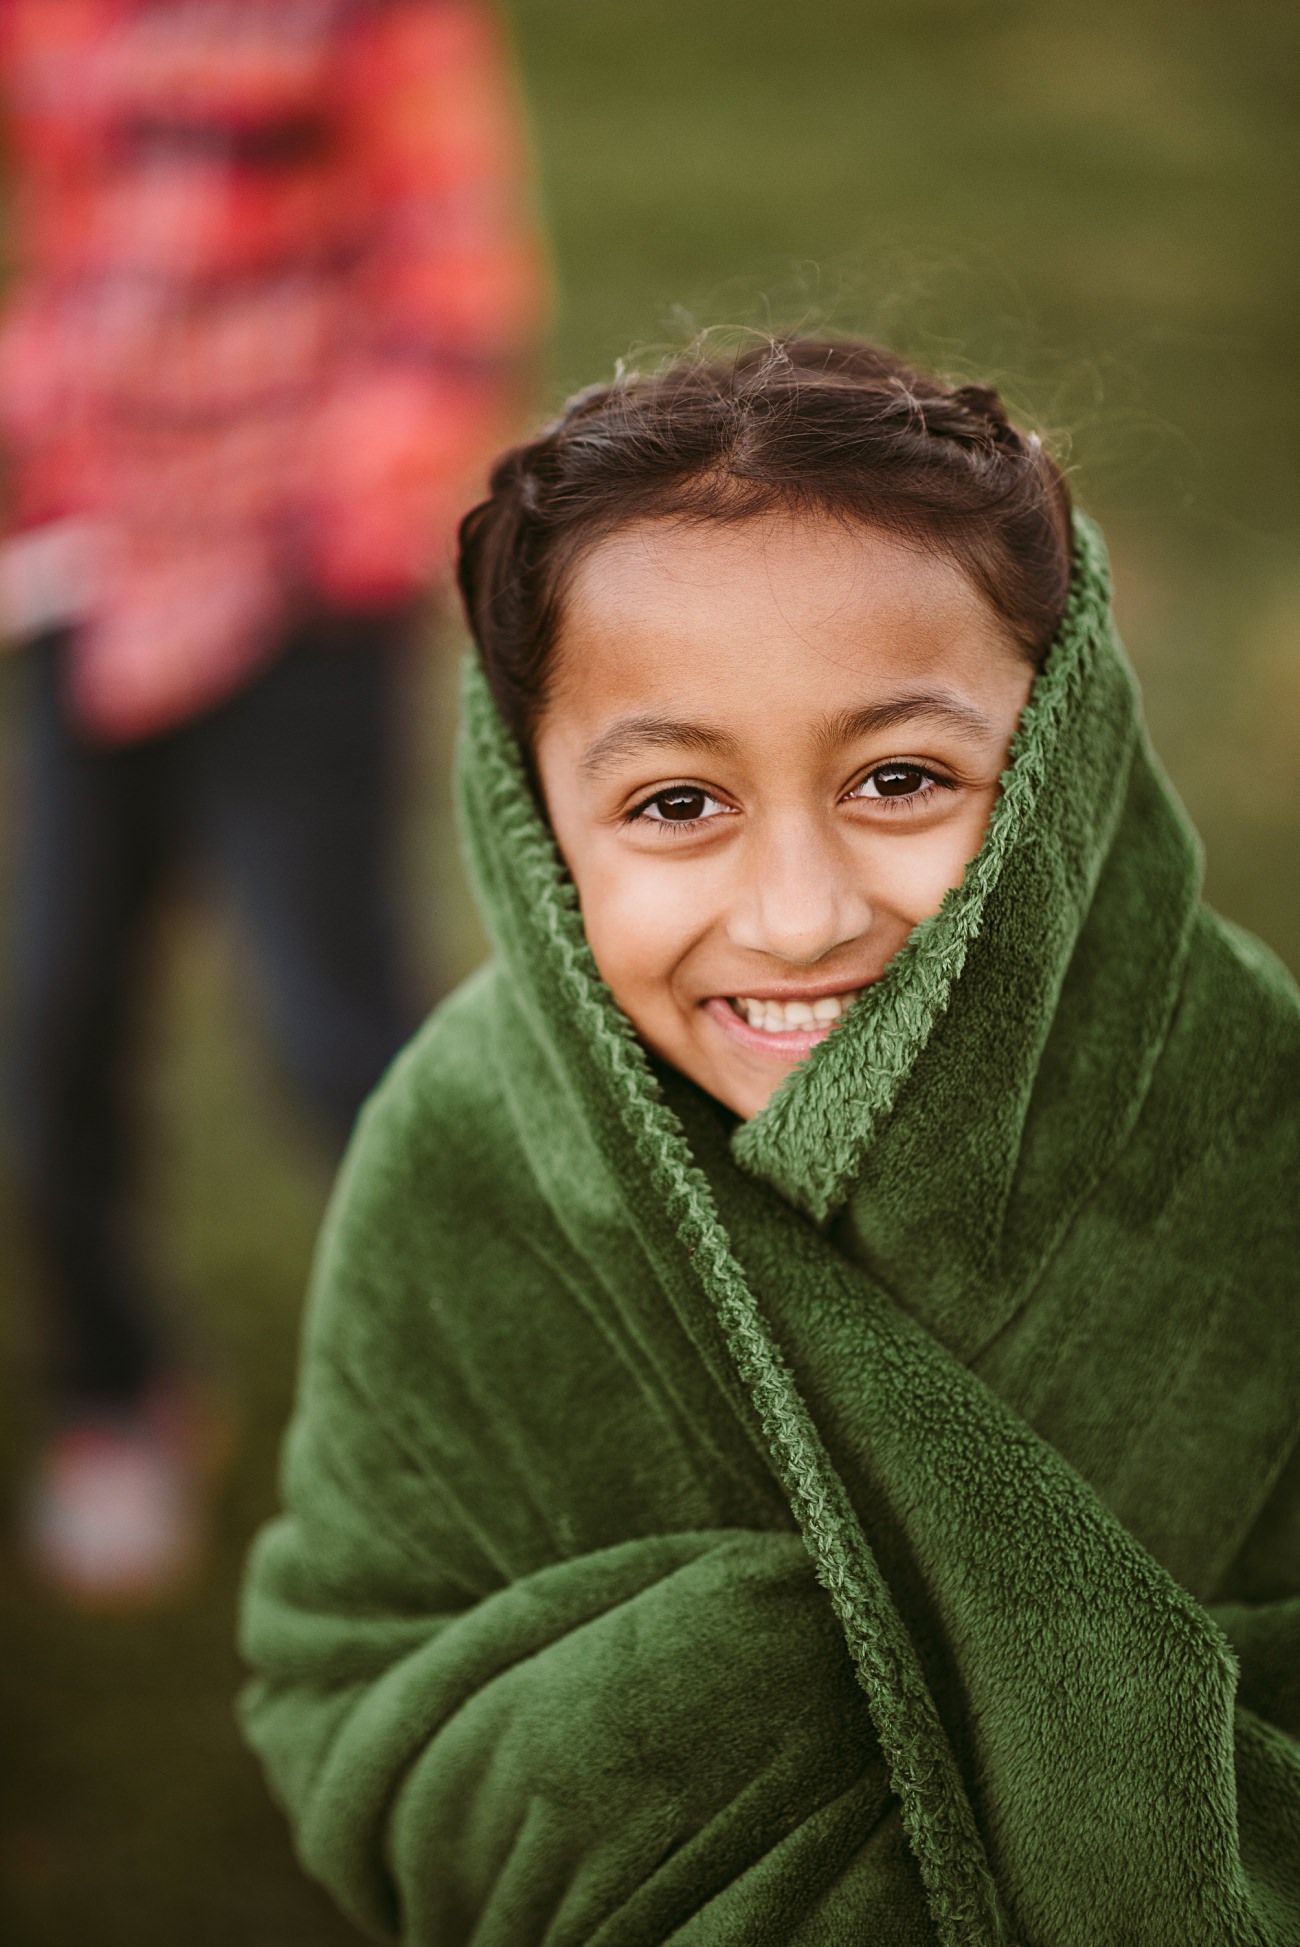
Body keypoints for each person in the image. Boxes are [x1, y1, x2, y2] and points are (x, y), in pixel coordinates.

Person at [238, 338, 1300, 1943]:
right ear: (535, 823)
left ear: (1061, 761)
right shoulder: (468, 1152)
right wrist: (768, 1700)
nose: (800, 917)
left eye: (900, 778)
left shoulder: (1249, 1114)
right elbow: (349, 1675)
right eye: (678, 805)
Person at [0, 0, 545, 1607]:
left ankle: (504, 1428)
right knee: (55, 1025)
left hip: (298, 586)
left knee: (336, 1036)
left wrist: (337, 521)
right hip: (92, 568)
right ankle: (118, 1389)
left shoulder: (375, 20)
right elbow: (90, 246)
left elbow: (452, 294)